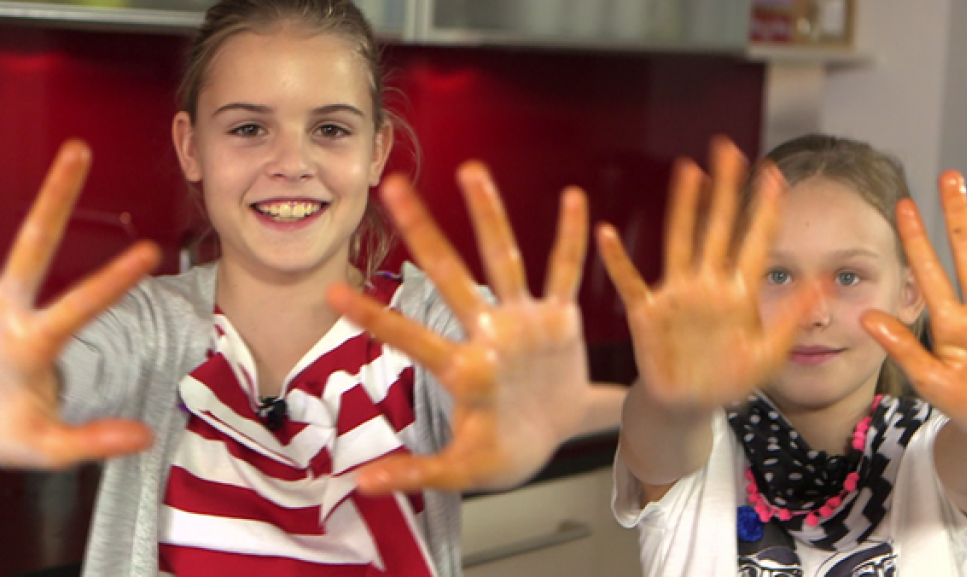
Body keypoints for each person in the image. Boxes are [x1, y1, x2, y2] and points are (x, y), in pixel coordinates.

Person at [0, 1, 624, 575]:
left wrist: (669, 411)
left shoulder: (431, 325)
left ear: (377, 150)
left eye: (330, 129)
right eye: (248, 129)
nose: (291, 163)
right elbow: (47, 377)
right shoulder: (146, 326)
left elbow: (500, 381)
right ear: (192, 148)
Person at [599, 134, 967, 576]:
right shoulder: (699, 446)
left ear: (909, 294)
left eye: (848, 276)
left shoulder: (932, 453)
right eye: (778, 275)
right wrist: (673, 397)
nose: (814, 313)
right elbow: (658, 432)